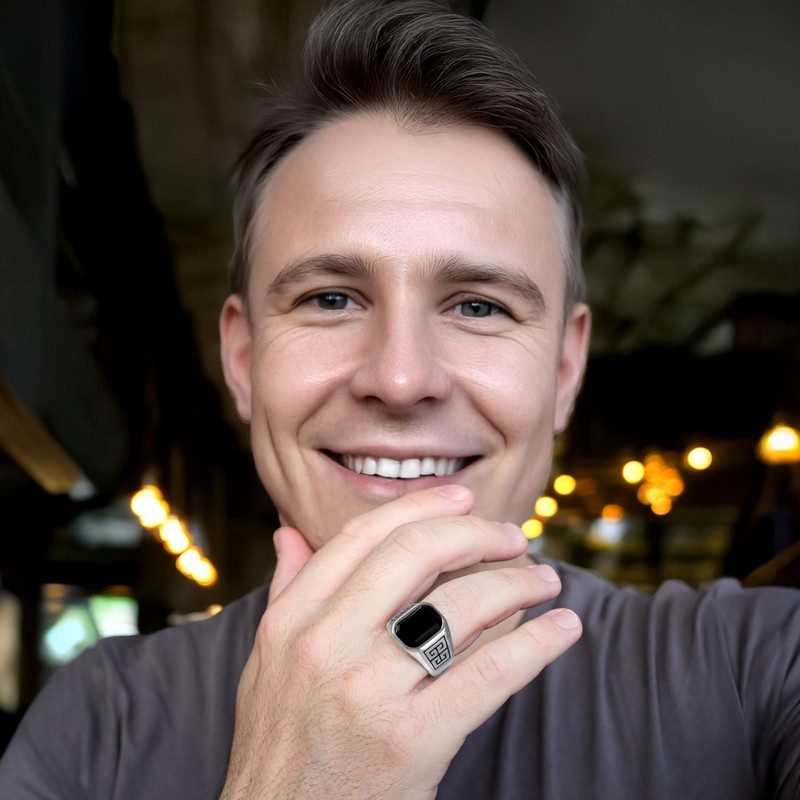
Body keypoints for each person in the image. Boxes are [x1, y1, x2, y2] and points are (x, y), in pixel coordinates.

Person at [1, 0, 799, 797]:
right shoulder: (97, 724)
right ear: (242, 360)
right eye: (331, 298)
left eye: (479, 306)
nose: (402, 378)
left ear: (564, 370)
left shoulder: (758, 668)